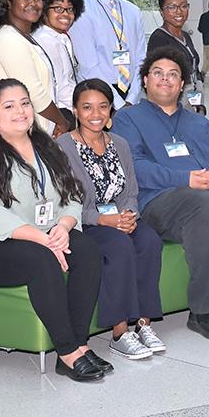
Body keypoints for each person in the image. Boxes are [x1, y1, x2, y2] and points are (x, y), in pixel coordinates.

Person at [0, 79, 106, 381]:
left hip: (38, 235)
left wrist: (63, 226)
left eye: (25, 103)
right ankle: (67, 351)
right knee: (41, 261)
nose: (20, 111)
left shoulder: (45, 145)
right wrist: (45, 241)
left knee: (86, 249)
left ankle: (80, 345)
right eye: (9, 106)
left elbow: (71, 195)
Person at [111, 45, 209, 341]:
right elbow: (135, 168)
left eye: (173, 75)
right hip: (158, 201)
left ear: (182, 84)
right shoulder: (128, 119)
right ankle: (205, 311)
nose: (165, 79)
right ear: (145, 80)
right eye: (157, 73)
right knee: (203, 202)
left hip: (206, 192)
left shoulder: (199, 122)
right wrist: (186, 179)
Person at [58, 79, 165, 361]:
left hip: (120, 218)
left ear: (111, 111)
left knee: (149, 241)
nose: (95, 114)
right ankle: (120, 332)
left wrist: (129, 216)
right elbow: (63, 201)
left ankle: (143, 324)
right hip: (85, 224)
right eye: (87, 107)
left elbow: (131, 191)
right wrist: (103, 220)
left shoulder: (120, 143)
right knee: (119, 246)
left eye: (103, 106)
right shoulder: (63, 146)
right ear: (76, 111)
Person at [0, 0, 67, 138]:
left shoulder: (25, 37)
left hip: (36, 131)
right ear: (8, 2)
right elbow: (33, 92)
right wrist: (62, 121)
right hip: (20, 133)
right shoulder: (10, 39)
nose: (33, 3)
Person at [69, 0, 146, 110]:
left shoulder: (133, 11)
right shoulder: (81, 10)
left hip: (132, 94)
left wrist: (132, 98)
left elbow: (141, 59)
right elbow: (88, 66)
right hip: (98, 95)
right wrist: (118, 103)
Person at [33, 0, 84, 126]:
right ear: (43, 10)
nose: (65, 14)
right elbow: (59, 87)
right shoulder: (46, 40)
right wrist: (82, 108)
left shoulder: (61, 38)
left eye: (69, 9)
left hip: (67, 109)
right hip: (58, 116)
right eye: (58, 8)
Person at [149, 0, 206, 115]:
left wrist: (199, 104)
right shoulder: (159, 38)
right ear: (162, 12)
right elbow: (159, 80)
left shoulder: (186, 36)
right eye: (172, 7)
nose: (179, 11)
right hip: (173, 108)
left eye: (183, 6)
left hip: (192, 104)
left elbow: (194, 71)